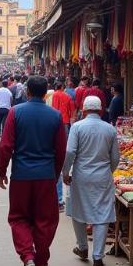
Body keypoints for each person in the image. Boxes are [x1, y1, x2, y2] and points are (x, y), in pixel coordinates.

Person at [0, 75, 67, 266]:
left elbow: (6, 146)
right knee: (45, 221)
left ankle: (28, 257)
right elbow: (61, 151)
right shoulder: (55, 116)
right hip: (45, 176)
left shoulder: (15, 113)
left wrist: (2, 172)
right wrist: (54, 175)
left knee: (19, 218)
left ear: (27, 92)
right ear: (46, 93)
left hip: (21, 176)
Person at [63, 96, 120, 266]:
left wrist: (65, 172)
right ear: (101, 110)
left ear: (84, 109)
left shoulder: (77, 127)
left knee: (78, 210)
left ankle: (82, 247)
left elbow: (70, 151)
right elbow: (115, 158)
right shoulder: (110, 129)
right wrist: (108, 171)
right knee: (102, 214)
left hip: (81, 175)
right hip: (102, 175)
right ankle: (97, 257)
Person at [51, 81, 76, 211]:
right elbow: (72, 111)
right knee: (63, 144)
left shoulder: (53, 95)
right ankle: (59, 200)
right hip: (65, 122)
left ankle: (56, 200)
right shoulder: (67, 96)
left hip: (54, 121)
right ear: (63, 87)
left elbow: (54, 108)